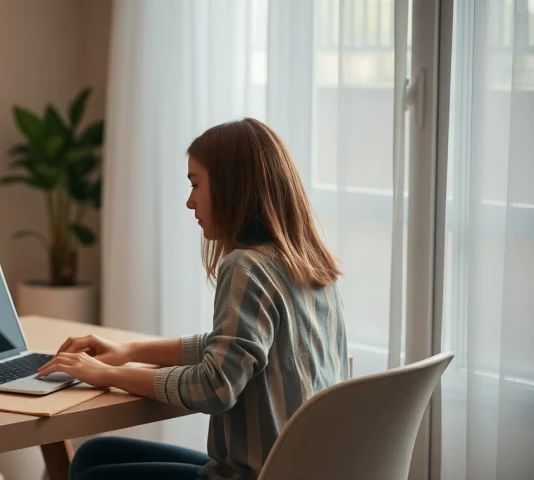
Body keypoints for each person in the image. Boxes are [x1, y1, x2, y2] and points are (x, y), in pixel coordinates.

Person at [36, 118, 350, 480]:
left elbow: (215, 385)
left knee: (92, 476)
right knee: (93, 455)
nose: (189, 202)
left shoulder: (247, 267)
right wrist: (130, 351)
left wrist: (108, 374)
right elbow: (233, 348)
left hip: (255, 476)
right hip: (300, 470)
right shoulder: (310, 265)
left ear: (232, 187)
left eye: (195, 184)